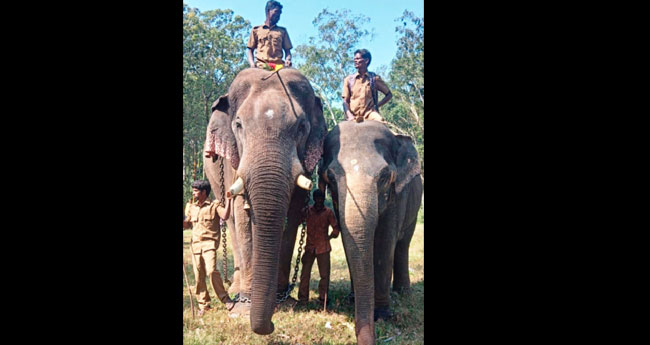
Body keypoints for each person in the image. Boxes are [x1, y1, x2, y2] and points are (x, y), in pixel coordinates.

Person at [183, 180, 236, 316]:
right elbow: (187, 225)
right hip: (195, 246)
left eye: (196, 191)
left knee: (212, 271)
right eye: (193, 190)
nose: (193, 193)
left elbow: (225, 215)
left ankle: (225, 299)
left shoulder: (214, 205)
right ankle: (204, 305)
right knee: (198, 276)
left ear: (204, 192)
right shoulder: (191, 206)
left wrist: (229, 201)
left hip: (209, 244)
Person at [298, 189, 340, 307]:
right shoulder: (308, 211)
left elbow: (336, 228)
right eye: (317, 198)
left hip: (323, 248)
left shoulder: (328, 212)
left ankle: (323, 299)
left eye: (321, 199)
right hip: (310, 247)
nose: (319, 201)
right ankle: (303, 299)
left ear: (323, 199)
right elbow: (299, 220)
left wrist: (330, 237)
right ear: (314, 199)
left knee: (324, 275)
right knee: (305, 274)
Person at [342, 49, 393, 123]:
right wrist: (349, 116)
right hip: (353, 115)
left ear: (366, 61)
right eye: (354, 59)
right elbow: (345, 102)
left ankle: (395, 134)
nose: (355, 61)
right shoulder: (348, 80)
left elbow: (389, 95)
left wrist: (377, 106)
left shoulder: (374, 79)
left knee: (381, 122)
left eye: (358, 59)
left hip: (370, 114)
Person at [246, 1, 292, 69]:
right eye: (276, 12)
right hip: (261, 65)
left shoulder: (282, 31)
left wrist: (288, 60)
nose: (278, 15)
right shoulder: (256, 30)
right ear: (268, 11)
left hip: (278, 66)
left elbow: (287, 51)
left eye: (280, 13)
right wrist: (252, 64)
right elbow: (250, 50)